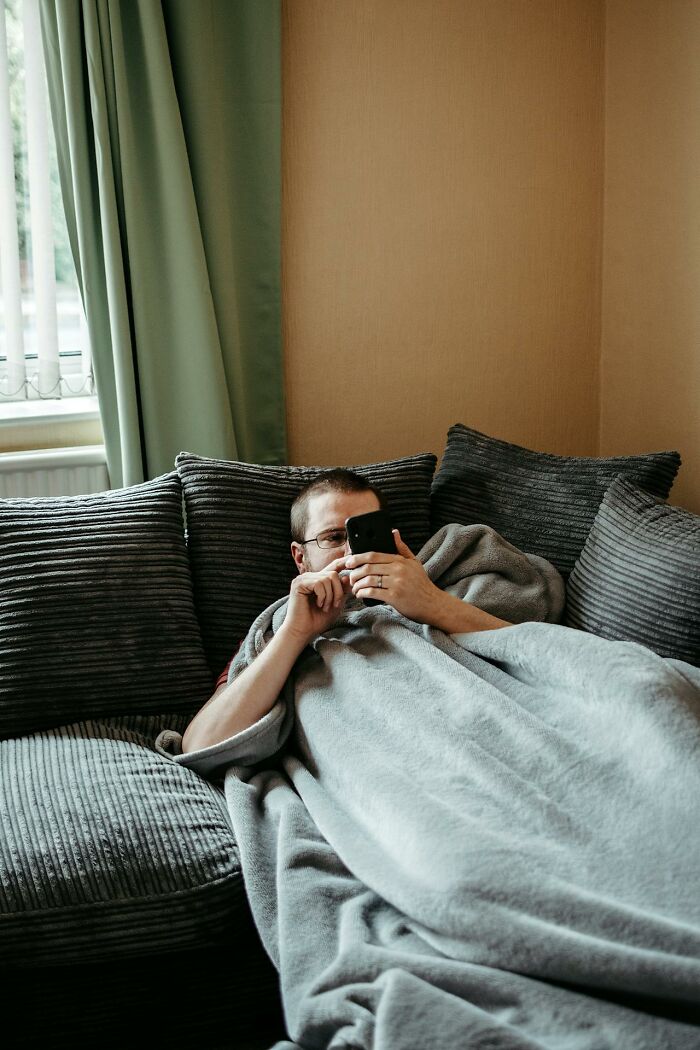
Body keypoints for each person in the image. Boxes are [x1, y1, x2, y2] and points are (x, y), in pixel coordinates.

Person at [181, 469, 513, 754]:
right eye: (334, 537)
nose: (352, 551)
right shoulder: (277, 629)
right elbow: (200, 742)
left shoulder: (444, 579)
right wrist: (295, 635)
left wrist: (430, 602)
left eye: (365, 532)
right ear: (300, 558)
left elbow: (532, 650)